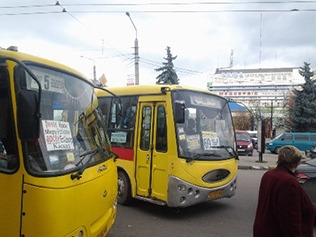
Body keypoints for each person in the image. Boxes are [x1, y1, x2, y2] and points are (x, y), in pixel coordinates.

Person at [253, 145, 315, 237]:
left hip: (263, 229)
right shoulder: (289, 182)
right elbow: (290, 219)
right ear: (297, 162)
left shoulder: (268, 175)